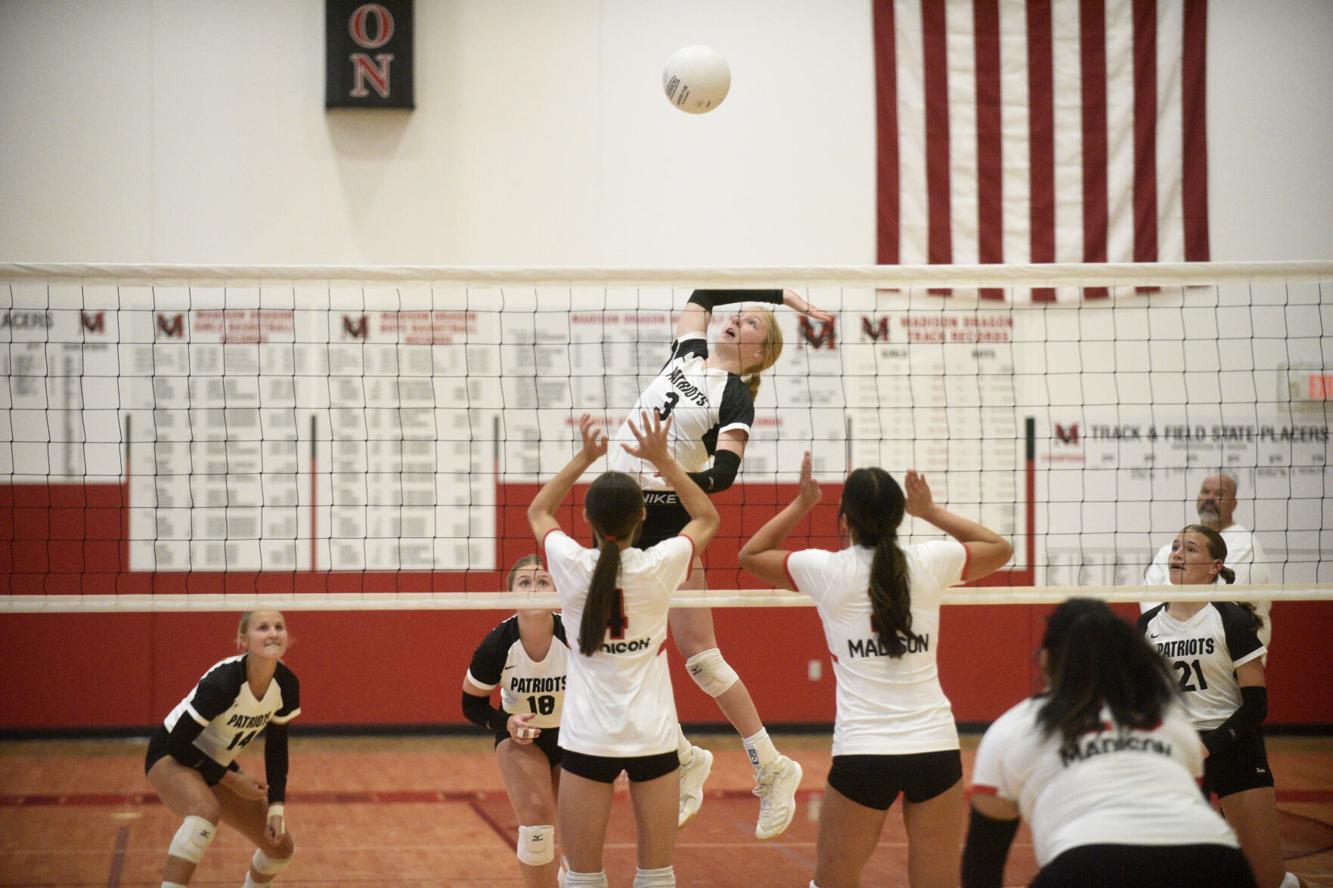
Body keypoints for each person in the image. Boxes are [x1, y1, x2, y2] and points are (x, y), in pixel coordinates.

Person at [606, 287, 831, 838]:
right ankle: (686, 755)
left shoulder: (735, 398)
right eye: (739, 316)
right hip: (618, 514)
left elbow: (724, 475)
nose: (736, 321)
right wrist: (782, 296)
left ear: (760, 352)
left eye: (752, 322)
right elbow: (703, 294)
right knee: (614, 648)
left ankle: (771, 766)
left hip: (663, 519)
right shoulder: (688, 351)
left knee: (699, 658)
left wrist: (667, 473)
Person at [738, 456, 1012, 888]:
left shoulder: (826, 570)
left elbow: (750, 555)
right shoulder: (930, 561)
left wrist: (801, 504)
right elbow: (1000, 549)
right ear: (901, 515)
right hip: (935, 750)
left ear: (845, 519)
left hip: (863, 753)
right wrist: (932, 512)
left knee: (834, 881)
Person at [528, 411, 720, 888]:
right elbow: (706, 517)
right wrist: (664, 461)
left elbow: (538, 512)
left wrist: (586, 457)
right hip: (653, 740)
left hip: (587, 740)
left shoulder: (570, 564)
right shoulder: (660, 565)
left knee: (583, 877)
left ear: (588, 519)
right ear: (643, 516)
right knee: (656, 876)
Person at [962, 598, 1254, 888]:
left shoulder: (1017, 725)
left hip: (1088, 865)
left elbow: (982, 865)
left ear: (1045, 659)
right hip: (1217, 860)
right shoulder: (1172, 720)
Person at [1139, 525, 1301, 888]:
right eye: (1176, 547)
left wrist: (1210, 744)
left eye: (1191, 549)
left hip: (1233, 747)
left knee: (1268, 879)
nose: (1178, 554)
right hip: (1180, 754)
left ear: (1215, 566)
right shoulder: (1148, 627)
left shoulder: (1231, 619)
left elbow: (1257, 705)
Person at [145, 610, 300, 888]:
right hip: (170, 754)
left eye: (279, 626)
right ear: (243, 640)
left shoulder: (287, 684)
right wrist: (233, 780)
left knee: (280, 849)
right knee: (205, 811)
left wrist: (277, 807)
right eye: (262, 627)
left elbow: (277, 747)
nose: (273, 633)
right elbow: (178, 744)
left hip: (214, 762)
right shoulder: (224, 683)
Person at [462, 555, 570, 888]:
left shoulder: (577, 637)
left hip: (574, 736)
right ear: (511, 594)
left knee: (578, 830)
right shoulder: (496, 646)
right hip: (521, 739)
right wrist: (505, 723)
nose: (534, 589)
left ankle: (571, 876)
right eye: (525, 583)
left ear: (556, 593)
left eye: (543, 582)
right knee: (537, 824)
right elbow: (471, 703)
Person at [1142, 473, 1273, 646]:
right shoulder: (1168, 549)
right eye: (1205, 491)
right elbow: (1149, 600)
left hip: (1228, 647)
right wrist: (1170, 628)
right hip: (1171, 644)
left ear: (1234, 504)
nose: (1210, 498)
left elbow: (1230, 601)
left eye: (1219, 493)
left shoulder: (1245, 544)